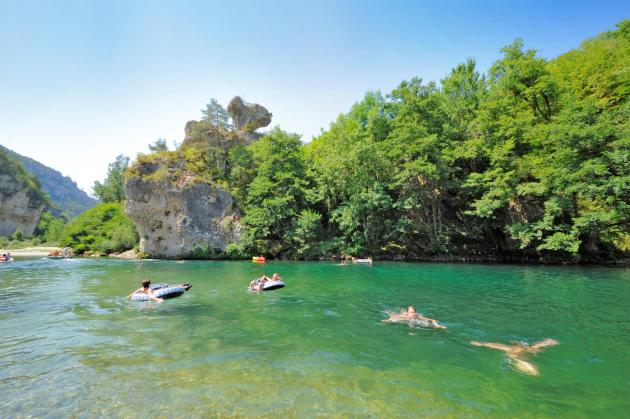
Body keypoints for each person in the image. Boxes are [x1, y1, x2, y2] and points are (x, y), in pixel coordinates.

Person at [470, 338, 559, 376]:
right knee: (534, 371)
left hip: (518, 358)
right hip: (522, 357)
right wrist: (549, 342)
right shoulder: (527, 347)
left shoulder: (511, 348)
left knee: (533, 371)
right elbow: (542, 344)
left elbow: (495, 345)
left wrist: (481, 343)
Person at [382, 305, 447, 329]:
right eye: (411, 312)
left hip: (411, 319)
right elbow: (394, 316)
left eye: (413, 312)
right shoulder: (405, 316)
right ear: (408, 313)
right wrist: (388, 320)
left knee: (413, 322)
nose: (413, 314)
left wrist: (437, 325)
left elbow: (433, 320)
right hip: (403, 316)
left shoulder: (417, 316)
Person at [127, 279, 192, 302]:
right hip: (157, 294)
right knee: (170, 286)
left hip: (156, 291)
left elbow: (133, 293)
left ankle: (184, 285)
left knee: (167, 285)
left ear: (142, 284)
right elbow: (151, 297)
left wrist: (128, 297)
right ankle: (185, 286)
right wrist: (159, 300)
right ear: (149, 284)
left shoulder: (141, 289)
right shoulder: (149, 289)